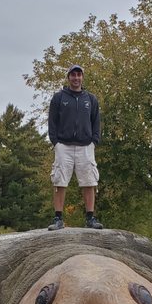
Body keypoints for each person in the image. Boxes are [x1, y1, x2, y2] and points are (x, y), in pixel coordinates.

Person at [47, 64, 103, 230]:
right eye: (73, 75)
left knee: (89, 181)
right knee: (59, 181)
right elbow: (52, 122)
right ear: (68, 77)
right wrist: (55, 142)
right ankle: (58, 219)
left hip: (85, 146)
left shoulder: (90, 99)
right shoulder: (59, 98)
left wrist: (94, 142)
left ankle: (90, 218)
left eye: (79, 75)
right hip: (63, 145)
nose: (76, 78)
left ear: (82, 77)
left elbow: (96, 122)